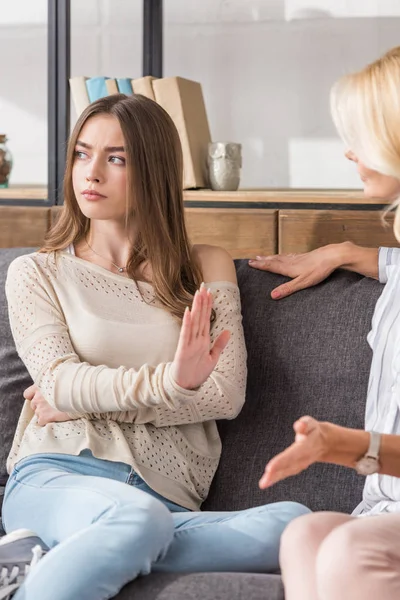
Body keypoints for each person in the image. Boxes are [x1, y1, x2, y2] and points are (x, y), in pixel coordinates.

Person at [0, 93, 309, 600]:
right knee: (135, 518)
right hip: (59, 473)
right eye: (82, 153)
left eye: (116, 158)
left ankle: (48, 557)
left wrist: (88, 401)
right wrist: (173, 384)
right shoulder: (37, 273)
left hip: (167, 500)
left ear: (155, 171)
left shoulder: (204, 266)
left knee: (294, 524)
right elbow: (60, 382)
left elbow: (225, 395)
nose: (91, 173)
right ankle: (87, 546)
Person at [250, 46, 400, 600]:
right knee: (308, 533)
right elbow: (390, 262)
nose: (350, 152)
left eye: (363, 136)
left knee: (348, 548)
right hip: (384, 506)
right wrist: (339, 252)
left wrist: (348, 446)